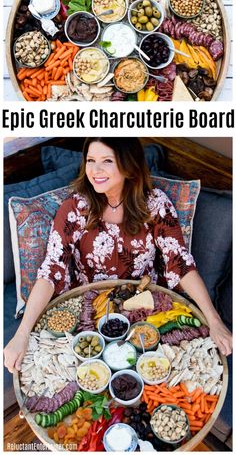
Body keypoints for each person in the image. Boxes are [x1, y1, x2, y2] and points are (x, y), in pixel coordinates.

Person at [4, 138, 232, 373]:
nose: (95, 170)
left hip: (146, 307)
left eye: (107, 161)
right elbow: (52, 269)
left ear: (128, 165)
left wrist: (215, 321)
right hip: (89, 309)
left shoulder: (155, 205)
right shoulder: (75, 208)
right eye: (91, 160)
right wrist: (21, 335)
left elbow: (180, 263)